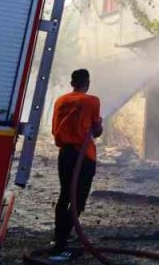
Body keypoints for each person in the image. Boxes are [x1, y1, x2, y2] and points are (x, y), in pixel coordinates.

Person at [49, 69, 103, 260]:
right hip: (84, 157)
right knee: (78, 199)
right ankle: (62, 244)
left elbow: (55, 130)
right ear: (87, 83)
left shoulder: (60, 101)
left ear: (72, 83)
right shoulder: (92, 101)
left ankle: (59, 237)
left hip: (64, 155)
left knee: (65, 194)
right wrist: (99, 126)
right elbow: (96, 131)